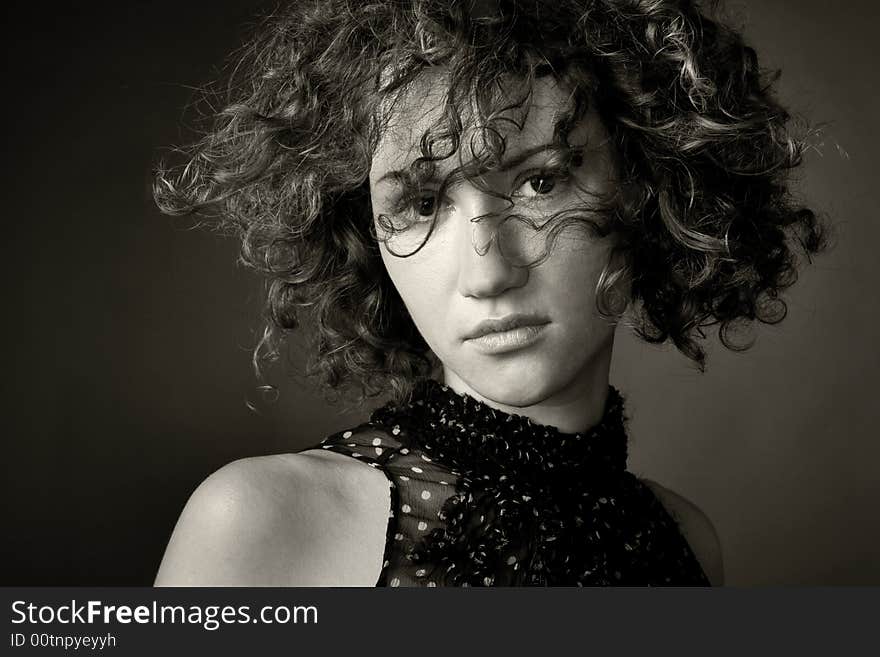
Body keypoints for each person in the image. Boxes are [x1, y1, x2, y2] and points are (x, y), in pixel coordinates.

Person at [152, 0, 826, 586]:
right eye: (421, 201)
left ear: (649, 183)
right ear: (364, 232)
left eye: (541, 182)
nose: (487, 272)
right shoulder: (262, 522)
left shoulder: (689, 546)